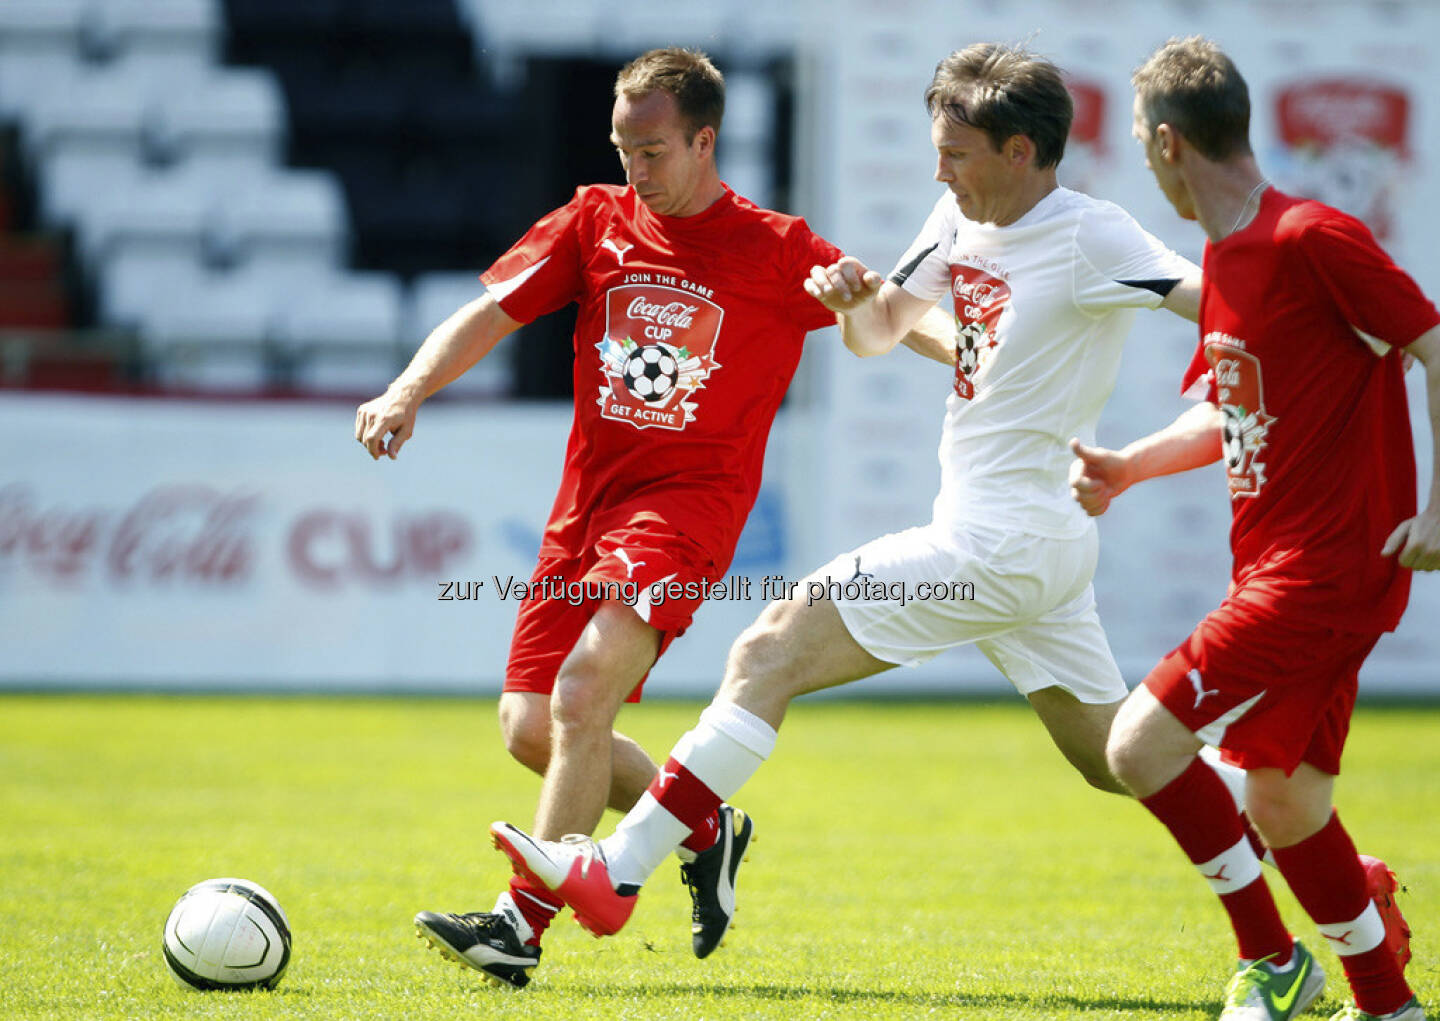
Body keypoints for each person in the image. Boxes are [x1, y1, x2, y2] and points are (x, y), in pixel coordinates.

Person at [486, 40, 1273, 940]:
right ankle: (1317, 840)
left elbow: (1212, 301)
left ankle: (617, 871)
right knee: (1118, 756)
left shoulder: (1093, 235)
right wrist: (854, 297)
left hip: (1005, 542)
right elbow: (878, 332)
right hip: (1018, 540)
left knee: (769, 651)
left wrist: (1306, 337)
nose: (939, 168)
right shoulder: (955, 217)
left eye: (957, 152)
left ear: (1020, 152)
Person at [355, 47, 948, 989]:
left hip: (687, 514)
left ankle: (519, 924)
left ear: (705, 141)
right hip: (583, 512)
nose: (637, 166)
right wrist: (408, 388)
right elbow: (492, 313)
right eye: (624, 146)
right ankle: (704, 823)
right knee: (529, 727)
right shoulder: (594, 219)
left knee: (585, 694)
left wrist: (975, 360)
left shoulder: (775, 245)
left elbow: (891, 313)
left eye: (655, 149)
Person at [1069, 36, 1438, 1021]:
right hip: (1280, 567)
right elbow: (1228, 409)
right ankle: (1385, 998)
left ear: (1164, 142)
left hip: (1326, 569)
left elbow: (1435, 344)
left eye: (1151, 153)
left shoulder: (1311, 237)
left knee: (1140, 744)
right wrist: (1129, 465)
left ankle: (1273, 960)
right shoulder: (1224, 260)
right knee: (1283, 803)